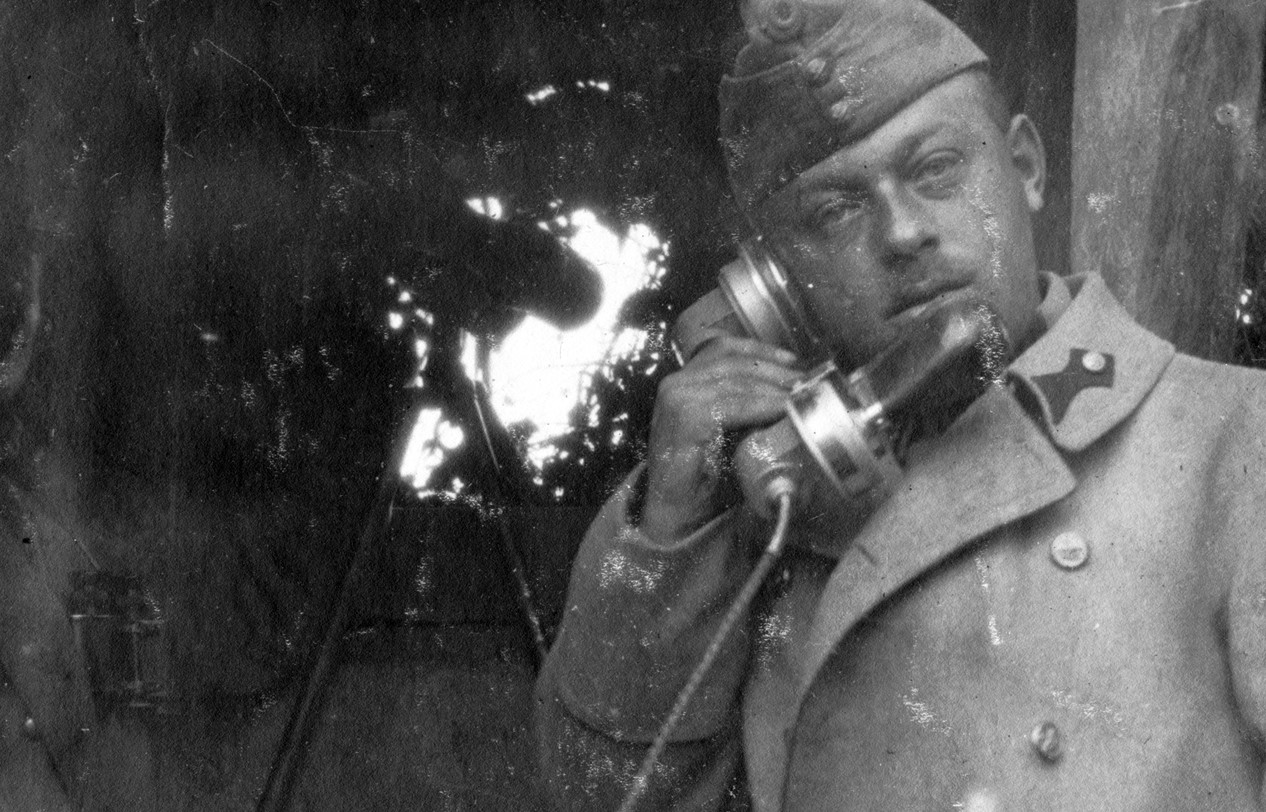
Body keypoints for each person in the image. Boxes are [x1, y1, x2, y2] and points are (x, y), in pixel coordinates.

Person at [535, 0, 1266, 809]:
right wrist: (671, 532)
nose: (903, 232)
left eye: (937, 168)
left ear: (1026, 168)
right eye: (837, 210)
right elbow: (602, 799)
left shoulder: (1233, 438)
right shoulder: (768, 510)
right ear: (781, 285)